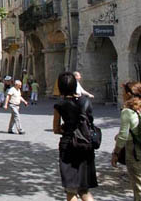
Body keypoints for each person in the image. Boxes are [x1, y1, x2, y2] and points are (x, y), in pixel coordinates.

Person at [54, 72, 97, 201]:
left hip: (68, 146)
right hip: (85, 144)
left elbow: (56, 129)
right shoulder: (86, 101)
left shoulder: (59, 105)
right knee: (84, 190)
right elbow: (90, 121)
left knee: (71, 190)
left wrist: (65, 129)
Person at [111, 82, 141, 200]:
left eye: (123, 92)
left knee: (138, 185)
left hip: (134, 151)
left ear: (128, 94)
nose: (122, 94)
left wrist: (116, 153)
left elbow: (123, 136)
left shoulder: (127, 111)